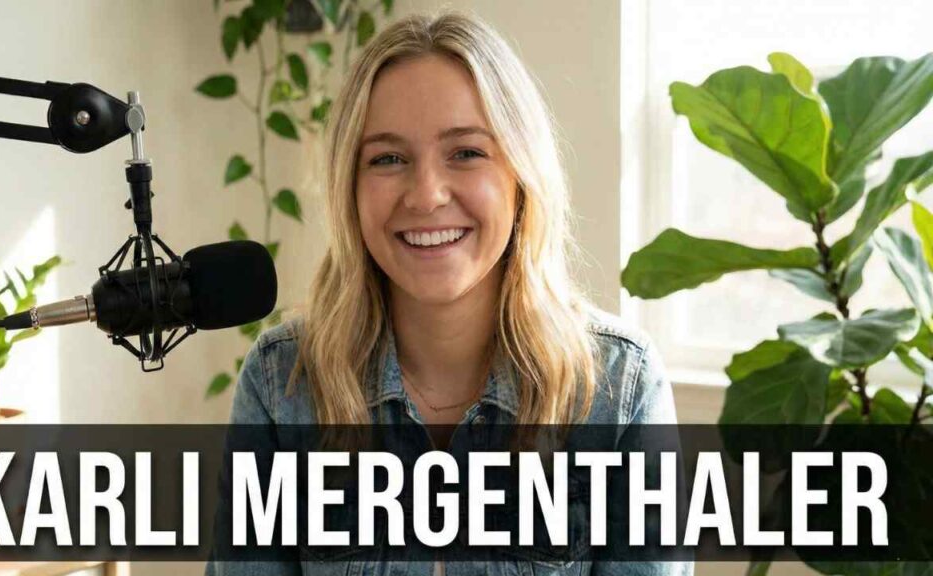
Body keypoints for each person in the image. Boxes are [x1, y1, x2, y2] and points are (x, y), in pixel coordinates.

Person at [208, 10, 691, 576]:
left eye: (466, 152)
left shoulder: (619, 386)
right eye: (388, 158)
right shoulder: (281, 381)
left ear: (520, 176)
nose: (427, 194)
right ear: (350, 188)